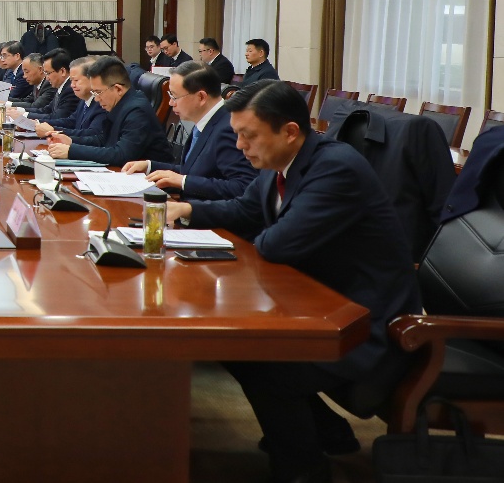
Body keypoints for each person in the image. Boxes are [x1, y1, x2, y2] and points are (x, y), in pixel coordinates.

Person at [166, 81, 420, 483]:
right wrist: (187, 211)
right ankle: (327, 432)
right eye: (236, 135)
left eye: (248, 136)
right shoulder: (283, 162)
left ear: (289, 131)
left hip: (365, 321)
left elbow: (277, 243)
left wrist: (254, 236)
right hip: (318, 300)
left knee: (265, 364)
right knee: (234, 347)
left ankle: (303, 470)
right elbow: (244, 210)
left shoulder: (335, 168)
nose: (239, 146)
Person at [122, 61, 257, 200]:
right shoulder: (206, 119)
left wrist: (183, 182)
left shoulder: (229, 128)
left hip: (206, 211)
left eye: (174, 96)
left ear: (201, 97)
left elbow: (242, 187)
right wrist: (149, 166)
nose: (171, 103)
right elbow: (194, 171)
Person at [45, 56, 172, 165]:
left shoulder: (137, 111)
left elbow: (122, 154)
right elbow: (102, 139)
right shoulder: (118, 103)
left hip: (152, 181)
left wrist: (71, 151)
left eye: (98, 92)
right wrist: (71, 142)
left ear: (118, 89)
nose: (96, 99)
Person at [36, 58, 107, 139]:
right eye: (71, 80)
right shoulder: (83, 100)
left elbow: (92, 134)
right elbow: (71, 121)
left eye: (76, 80)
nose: (72, 85)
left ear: (92, 79)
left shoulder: (101, 104)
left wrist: (54, 131)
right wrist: (38, 123)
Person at [24, 50, 78, 123]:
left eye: (48, 73)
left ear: (62, 71)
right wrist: (21, 112)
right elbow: (46, 110)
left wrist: (26, 116)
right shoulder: (61, 86)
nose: (47, 78)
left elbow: (57, 117)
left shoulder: (71, 90)